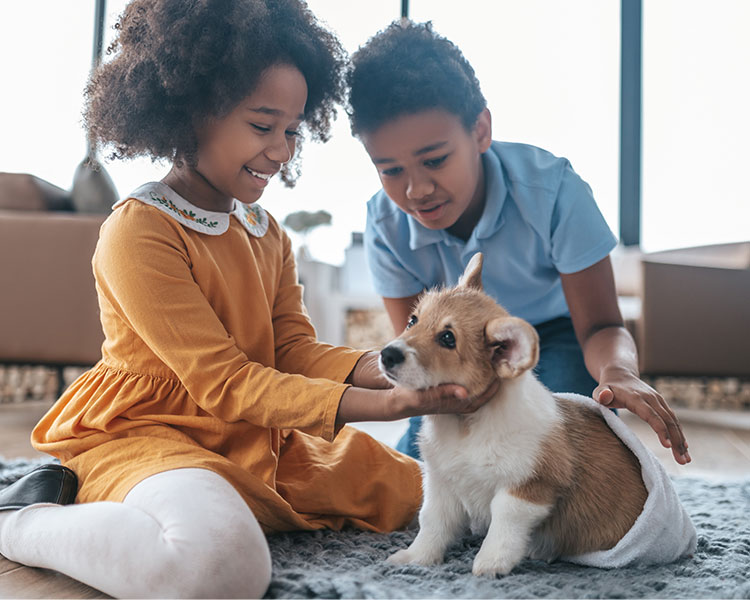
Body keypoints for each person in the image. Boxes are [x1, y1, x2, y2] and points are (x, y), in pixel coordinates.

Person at [0, 4, 494, 597]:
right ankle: (21, 520)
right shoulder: (139, 231)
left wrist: (394, 374)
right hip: (152, 434)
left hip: (261, 436)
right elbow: (224, 383)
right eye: (264, 127)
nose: (283, 151)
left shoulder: (265, 230)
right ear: (190, 113)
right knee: (217, 566)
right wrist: (388, 410)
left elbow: (293, 351)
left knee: (461, 504)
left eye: (291, 130)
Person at [347, 20, 691, 466]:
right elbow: (416, 345)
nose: (416, 190)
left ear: (480, 131)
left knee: (564, 433)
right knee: (420, 461)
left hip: (560, 338)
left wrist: (618, 371)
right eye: (390, 169)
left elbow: (601, 327)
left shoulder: (556, 192)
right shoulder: (385, 223)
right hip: (457, 351)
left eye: (434, 160)